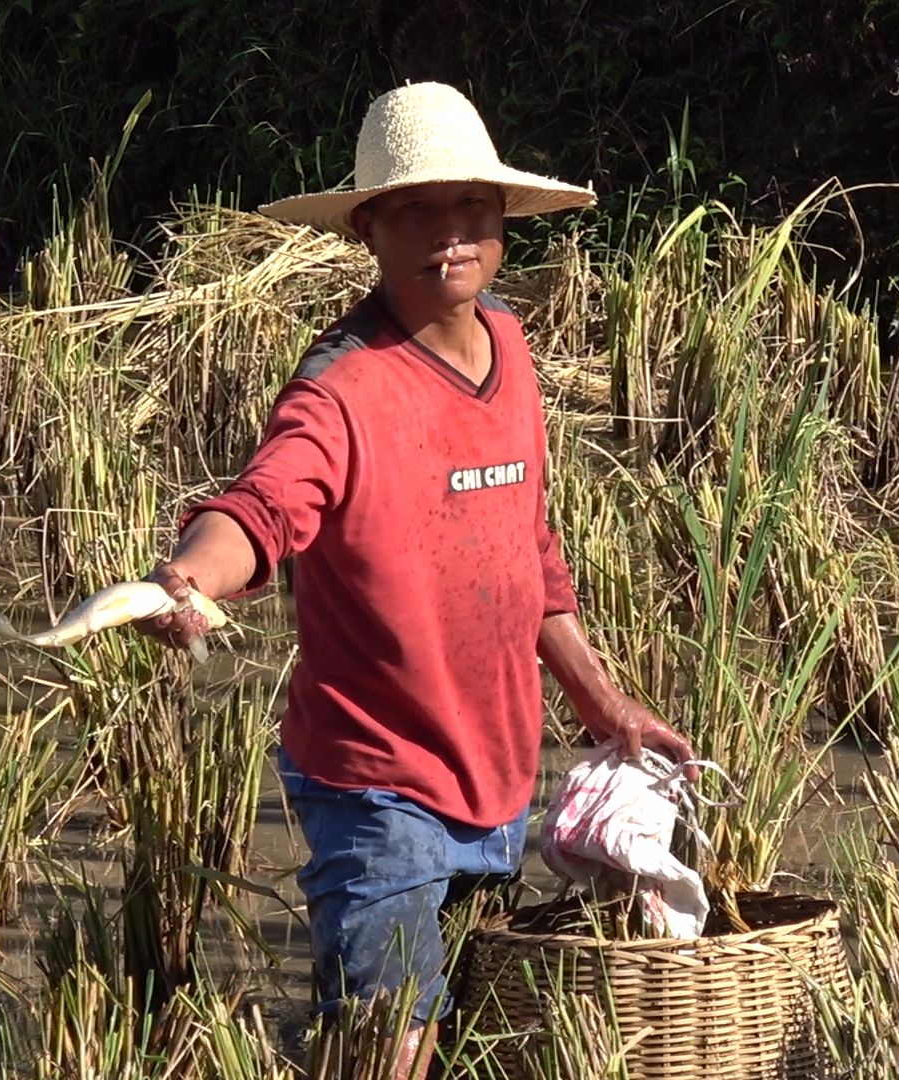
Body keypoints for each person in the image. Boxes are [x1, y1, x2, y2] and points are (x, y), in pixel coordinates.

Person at [133, 81, 697, 1079]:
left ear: (503, 222)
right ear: (368, 230)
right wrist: (192, 577)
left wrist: (607, 708)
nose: (449, 232)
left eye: (469, 207)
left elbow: (530, 556)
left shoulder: (511, 350)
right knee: (384, 1043)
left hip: (496, 778)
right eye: (416, 210)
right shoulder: (341, 387)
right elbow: (262, 508)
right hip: (377, 783)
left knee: (448, 1039)